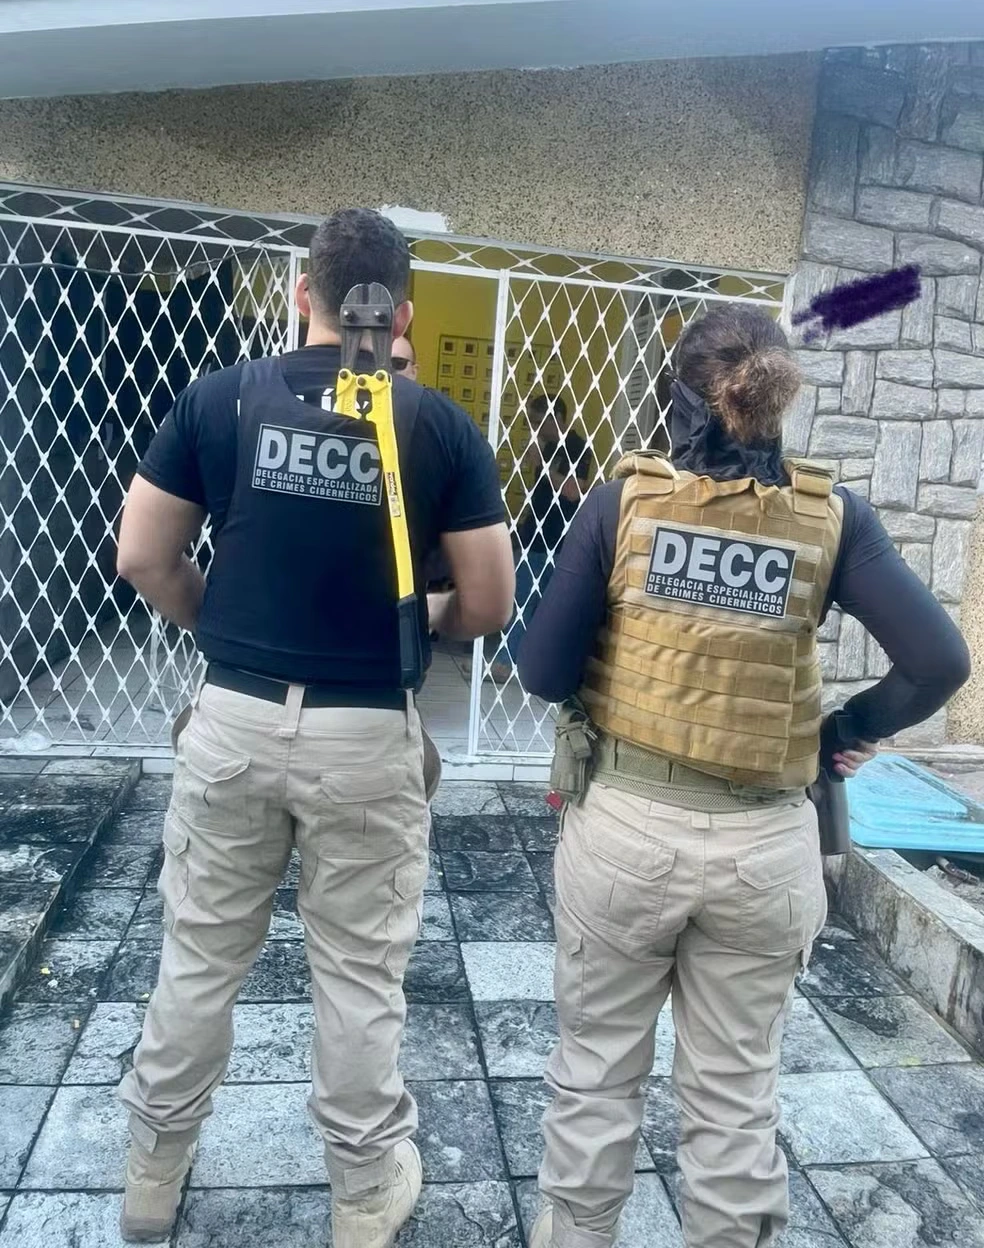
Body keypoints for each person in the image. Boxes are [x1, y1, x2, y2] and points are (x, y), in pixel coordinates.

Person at [518, 302, 971, 1248]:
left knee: (596, 1075)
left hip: (627, 835)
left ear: (677, 395)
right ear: (775, 401)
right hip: (768, 851)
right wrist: (843, 728)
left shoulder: (622, 504)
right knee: (734, 1099)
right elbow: (938, 662)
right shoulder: (833, 519)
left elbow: (544, 674)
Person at [115, 207, 514, 1247]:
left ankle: (152, 1173)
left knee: (199, 956)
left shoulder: (220, 399)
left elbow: (143, 556)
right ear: (403, 314)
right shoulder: (438, 427)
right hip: (366, 736)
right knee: (358, 976)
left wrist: (224, 625)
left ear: (304, 294)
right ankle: (363, 1191)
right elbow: (488, 603)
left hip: (234, 718)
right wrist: (421, 614)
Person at [489, 395, 593, 682]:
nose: (534, 428)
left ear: (556, 418)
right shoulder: (548, 447)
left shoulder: (577, 447)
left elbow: (574, 491)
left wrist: (543, 464)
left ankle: (507, 663)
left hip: (557, 539)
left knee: (531, 604)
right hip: (534, 536)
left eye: (537, 422)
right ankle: (511, 662)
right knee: (524, 601)